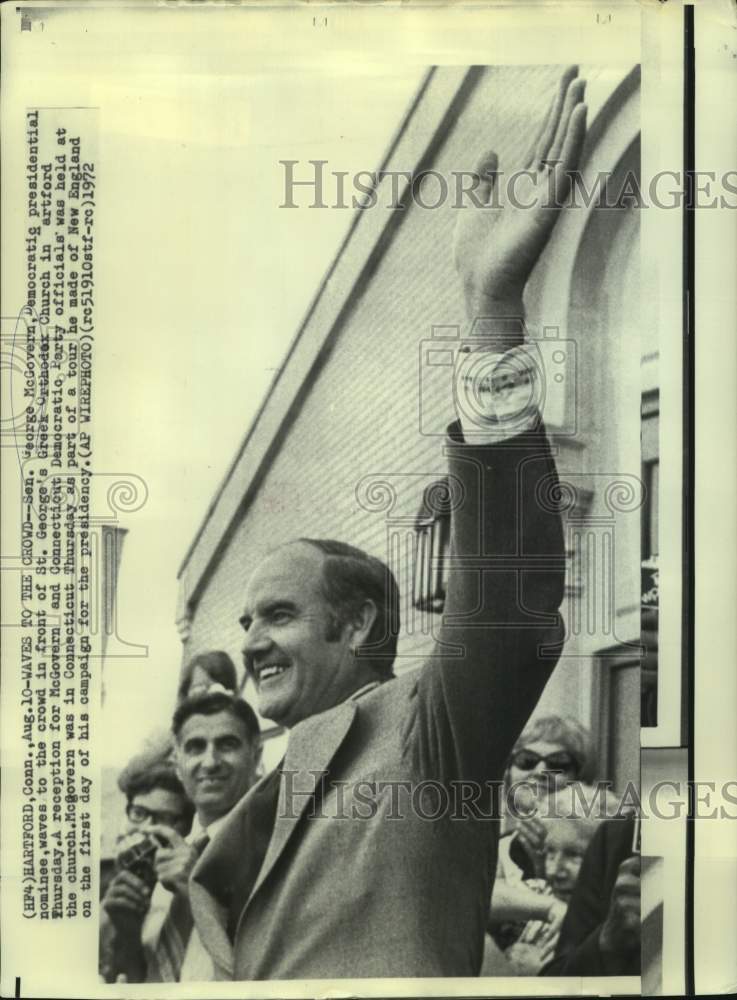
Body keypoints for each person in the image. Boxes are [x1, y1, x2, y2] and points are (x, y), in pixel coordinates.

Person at [189, 68, 587, 980]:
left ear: (361, 622)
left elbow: (509, 603)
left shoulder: (422, 725)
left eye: (277, 614)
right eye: (246, 620)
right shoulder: (266, 786)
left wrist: (490, 313)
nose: (249, 641)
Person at [101, 692, 261, 982]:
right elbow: (150, 977)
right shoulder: (165, 860)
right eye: (195, 747)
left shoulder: (272, 850)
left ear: (255, 755)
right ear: (178, 763)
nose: (210, 761)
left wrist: (200, 893)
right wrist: (128, 932)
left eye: (227, 744)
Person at [541, 815, 640, 976]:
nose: (553, 871)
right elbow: (558, 981)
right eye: (549, 852)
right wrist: (606, 942)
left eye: (573, 854)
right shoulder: (614, 837)